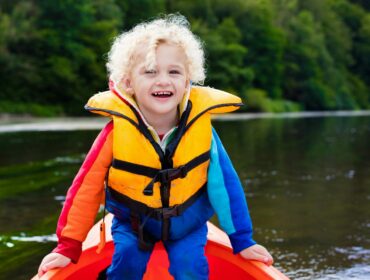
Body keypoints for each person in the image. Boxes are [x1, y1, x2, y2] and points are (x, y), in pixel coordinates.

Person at [37, 14, 273, 280]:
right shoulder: (114, 134)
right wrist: (68, 246)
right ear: (127, 83)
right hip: (133, 222)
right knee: (127, 259)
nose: (163, 80)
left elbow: (226, 187)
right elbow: (85, 190)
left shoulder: (203, 132)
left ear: (187, 82)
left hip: (188, 224)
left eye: (174, 72)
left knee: (190, 266)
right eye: (150, 72)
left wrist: (242, 240)